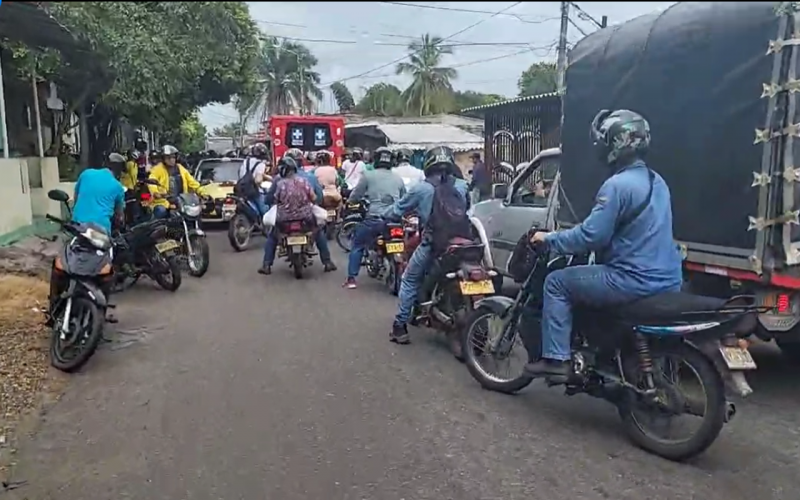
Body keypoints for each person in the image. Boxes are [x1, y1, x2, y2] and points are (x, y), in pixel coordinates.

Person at [524, 109, 683, 378]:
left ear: (614, 144)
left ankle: (556, 360)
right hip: (668, 278)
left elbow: (591, 237)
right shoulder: (658, 182)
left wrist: (550, 239)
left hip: (631, 279)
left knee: (557, 282)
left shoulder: (617, 185)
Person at [384, 146, 470, 345]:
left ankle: (400, 327)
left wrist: (384, 214)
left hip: (434, 244)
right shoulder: (462, 186)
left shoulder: (421, 188)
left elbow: (396, 210)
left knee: (409, 279)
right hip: (464, 243)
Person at [343, 147, 406, 289]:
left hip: (373, 218)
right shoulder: (398, 179)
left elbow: (356, 195)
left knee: (357, 245)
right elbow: (404, 198)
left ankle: (351, 279)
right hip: (394, 220)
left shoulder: (367, 175)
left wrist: (350, 202)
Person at [261, 156, 337, 274]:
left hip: (284, 220)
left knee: (273, 235)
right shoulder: (306, 180)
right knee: (318, 232)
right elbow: (315, 197)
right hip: (305, 218)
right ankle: (327, 262)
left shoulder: (280, 183)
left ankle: (266, 265)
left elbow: (274, 200)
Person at [147, 145, 208, 219]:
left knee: (196, 214)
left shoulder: (181, 168)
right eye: (168, 158)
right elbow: (152, 181)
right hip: (164, 201)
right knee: (161, 212)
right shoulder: (157, 169)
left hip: (182, 201)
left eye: (173, 157)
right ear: (163, 159)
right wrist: (155, 193)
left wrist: (203, 193)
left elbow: (193, 183)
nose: (171, 160)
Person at [237, 142, 270, 217]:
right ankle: (265, 226)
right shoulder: (261, 164)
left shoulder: (245, 162)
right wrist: (262, 187)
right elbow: (258, 181)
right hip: (255, 192)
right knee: (265, 211)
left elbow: (240, 174)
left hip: (243, 190)